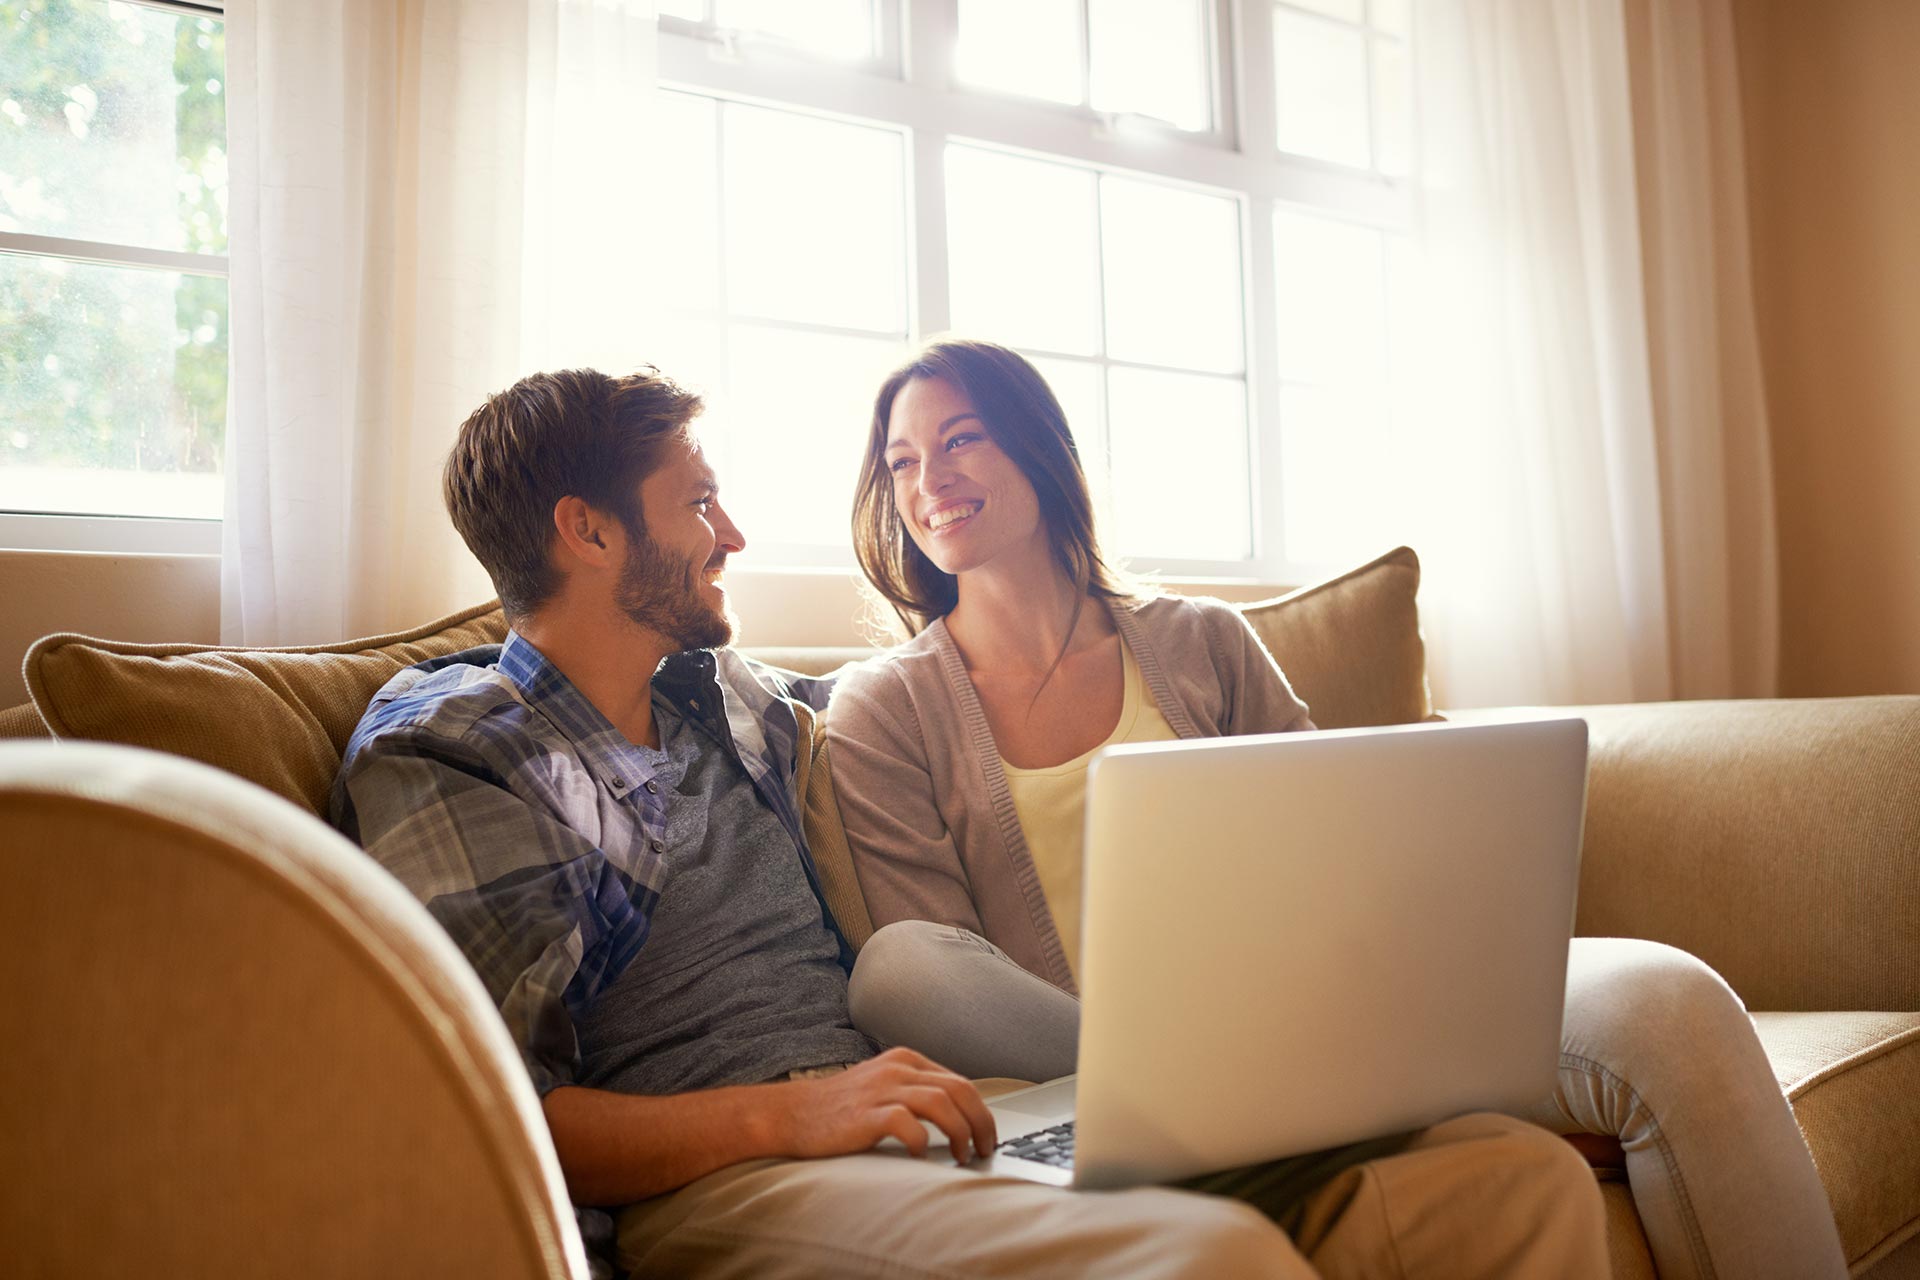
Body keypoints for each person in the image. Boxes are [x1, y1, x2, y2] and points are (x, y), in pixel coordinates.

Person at [334, 365, 1608, 1280]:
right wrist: (794, 1112)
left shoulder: (737, 700)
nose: (733, 532)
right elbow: (486, 1108)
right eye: (700, 502)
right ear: (588, 529)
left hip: (939, 1120)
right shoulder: (456, 747)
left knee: (1513, 1177)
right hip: (738, 1173)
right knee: (1203, 1255)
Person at [826, 337, 1850, 1280]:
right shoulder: (887, 704)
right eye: (903, 461)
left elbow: (1341, 855)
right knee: (902, 961)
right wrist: (1177, 1073)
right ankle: (1214, 1091)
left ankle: (1309, 1096)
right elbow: (934, 980)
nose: (932, 480)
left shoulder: (1205, 643)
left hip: (1308, 1033)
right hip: (1085, 1085)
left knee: (1665, 999)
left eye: (961, 439)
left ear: (1040, 451)